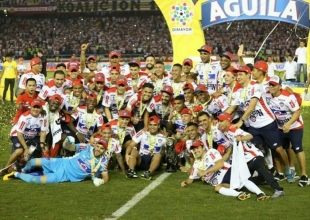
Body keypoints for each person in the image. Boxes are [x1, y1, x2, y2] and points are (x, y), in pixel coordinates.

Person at [226, 65, 292, 182]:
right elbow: (231, 109)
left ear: (248, 75)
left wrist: (241, 121)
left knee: (277, 149)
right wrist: (220, 119)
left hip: (267, 124)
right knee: (255, 149)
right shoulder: (238, 92)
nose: (238, 76)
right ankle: (263, 171)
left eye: (241, 74)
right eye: (237, 74)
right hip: (254, 127)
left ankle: (289, 170)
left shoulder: (255, 86)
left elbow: (251, 107)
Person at [217, 112, 285, 198]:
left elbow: (250, 136)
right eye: (218, 120)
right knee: (245, 180)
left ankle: (279, 189)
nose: (219, 123)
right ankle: (262, 180)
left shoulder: (233, 129)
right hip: (245, 159)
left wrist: (241, 138)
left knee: (261, 170)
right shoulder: (226, 131)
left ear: (228, 121)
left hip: (253, 155)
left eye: (221, 121)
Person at [180, 140, 270, 201]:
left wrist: (205, 172)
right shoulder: (196, 164)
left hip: (228, 172)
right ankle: (240, 194)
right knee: (217, 188)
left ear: (203, 147)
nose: (195, 151)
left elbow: (220, 164)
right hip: (220, 181)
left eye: (197, 148)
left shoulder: (211, 152)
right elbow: (191, 178)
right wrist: (185, 182)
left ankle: (261, 193)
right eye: (194, 149)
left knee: (243, 181)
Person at [3, 139, 109, 186]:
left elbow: (105, 176)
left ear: (104, 150)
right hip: (60, 162)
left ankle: (16, 174)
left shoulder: (103, 161)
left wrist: (102, 181)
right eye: (98, 146)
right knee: (33, 161)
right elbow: (68, 147)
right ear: (95, 145)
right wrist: (68, 141)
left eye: (101, 148)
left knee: (36, 181)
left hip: (64, 175)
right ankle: (23, 170)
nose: (98, 149)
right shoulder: (86, 147)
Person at [266, 76, 309, 186]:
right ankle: (280, 173)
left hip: (295, 126)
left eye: (274, 85)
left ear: (280, 86)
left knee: (297, 149)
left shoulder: (288, 97)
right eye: (270, 84)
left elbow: (297, 112)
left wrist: (288, 124)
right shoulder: (266, 95)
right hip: (279, 127)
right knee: (276, 148)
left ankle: (304, 176)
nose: (271, 87)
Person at [0, 99, 48, 176]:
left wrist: (42, 145)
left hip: (32, 135)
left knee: (45, 149)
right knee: (19, 150)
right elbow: (19, 133)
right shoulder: (24, 117)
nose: (35, 109)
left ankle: (37, 167)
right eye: (34, 107)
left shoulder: (43, 117)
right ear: (30, 107)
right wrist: (25, 148)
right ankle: (5, 168)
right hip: (17, 134)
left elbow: (43, 132)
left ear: (41, 109)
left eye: (38, 107)